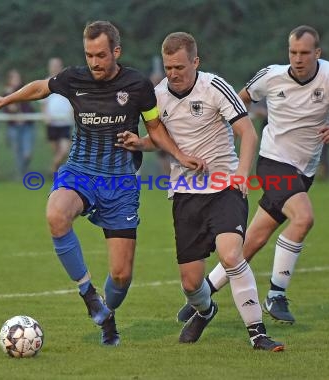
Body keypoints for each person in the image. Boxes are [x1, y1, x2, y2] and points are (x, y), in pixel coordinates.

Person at [0, 21, 204, 346]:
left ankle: (107, 315)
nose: (95, 62)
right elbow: (40, 87)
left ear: (116, 51)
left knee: (121, 276)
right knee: (56, 214)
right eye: (89, 55)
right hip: (80, 172)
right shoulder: (74, 78)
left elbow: (155, 128)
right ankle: (88, 294)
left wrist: (180, 156)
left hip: (121, 184)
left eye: (101, 55)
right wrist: (4, 100)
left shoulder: (138, 85)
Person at [175, 25, 329, 325]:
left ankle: (204, 293)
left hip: (304, 171)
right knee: (304, 218)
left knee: (252, 240)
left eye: (305, 53)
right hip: (273, 162)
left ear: (317, 53)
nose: (298, 58)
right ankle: (276, 294)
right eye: (293, 52)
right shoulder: (270, 75)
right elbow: (236, 101)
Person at [117, 32, 284, 351]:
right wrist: (139, 142)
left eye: (179, 66)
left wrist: (241, 175)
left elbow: (247, 133)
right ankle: (205, 310)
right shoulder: (157, 96)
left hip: (225, 187)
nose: (173, 73)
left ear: (195, 62)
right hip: (185, 193)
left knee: (232, 254)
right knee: (192, 284)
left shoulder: (215, 87)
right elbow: (160, 139)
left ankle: (257, 333)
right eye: (168, 67)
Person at [42, 57, 75, 173]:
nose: (55, 67)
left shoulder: (67, 82)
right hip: (52, 123)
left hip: (65, 122)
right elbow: (44, 104)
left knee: (64, 151)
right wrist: (45, 116)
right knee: (56, 152)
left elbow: (73, 100)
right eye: (53, 65)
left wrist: (73, 112)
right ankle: (58, 174)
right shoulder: (45, 82)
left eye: (57, 65)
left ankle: (52, 169)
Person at [3, 69, 35, 177]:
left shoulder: (26, 91)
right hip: (14, 127)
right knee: (18, 153)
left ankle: (24, 170)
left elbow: (29, 108)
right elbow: (9, 109)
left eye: (18, 78)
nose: (17, 80)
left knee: (27, 154)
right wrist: (9, 94)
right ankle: (21, 175)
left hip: (26, 126)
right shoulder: (6, 93)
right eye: (14, 78)